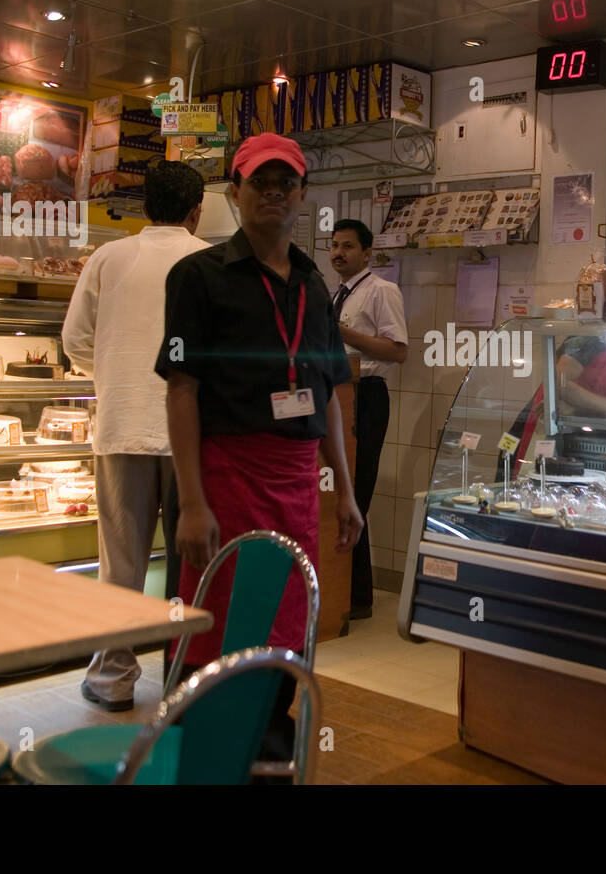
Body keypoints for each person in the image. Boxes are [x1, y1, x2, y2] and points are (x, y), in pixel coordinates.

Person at [156, 133, 362, 768]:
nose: (273, 192)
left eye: (285, 182)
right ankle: (207, 757)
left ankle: (265, 755)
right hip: (225, 479)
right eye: (259, 182)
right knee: (214, 625)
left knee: (283, 626)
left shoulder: (313, 284)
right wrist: (191, 502)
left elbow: (325, 394)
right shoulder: (197, 276)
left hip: (298, 485)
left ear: (302, 194)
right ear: (234, 192)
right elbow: (182, 392)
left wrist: (346, 493)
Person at [61, 160, 209, 712]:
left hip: (121, 427)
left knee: (120, 564)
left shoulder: (107, 257)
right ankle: (187, 676)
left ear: (144, 206)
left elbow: (75, 339)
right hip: (192, 438)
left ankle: (111, 681)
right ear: (197, 210)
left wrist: (114, 378)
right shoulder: (210, 260)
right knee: (193, 562)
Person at [328, 219, 407, 620]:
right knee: (339, 493)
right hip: (338, 396)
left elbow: (397, 350)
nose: (338, 252)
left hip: (368, 397)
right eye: (334, 245)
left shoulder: (382, 291)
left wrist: (339, 331)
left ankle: (359, 598)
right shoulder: (335, 294)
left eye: (347, 246)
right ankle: (344, 591)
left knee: (356, 493)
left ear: (366, 253)